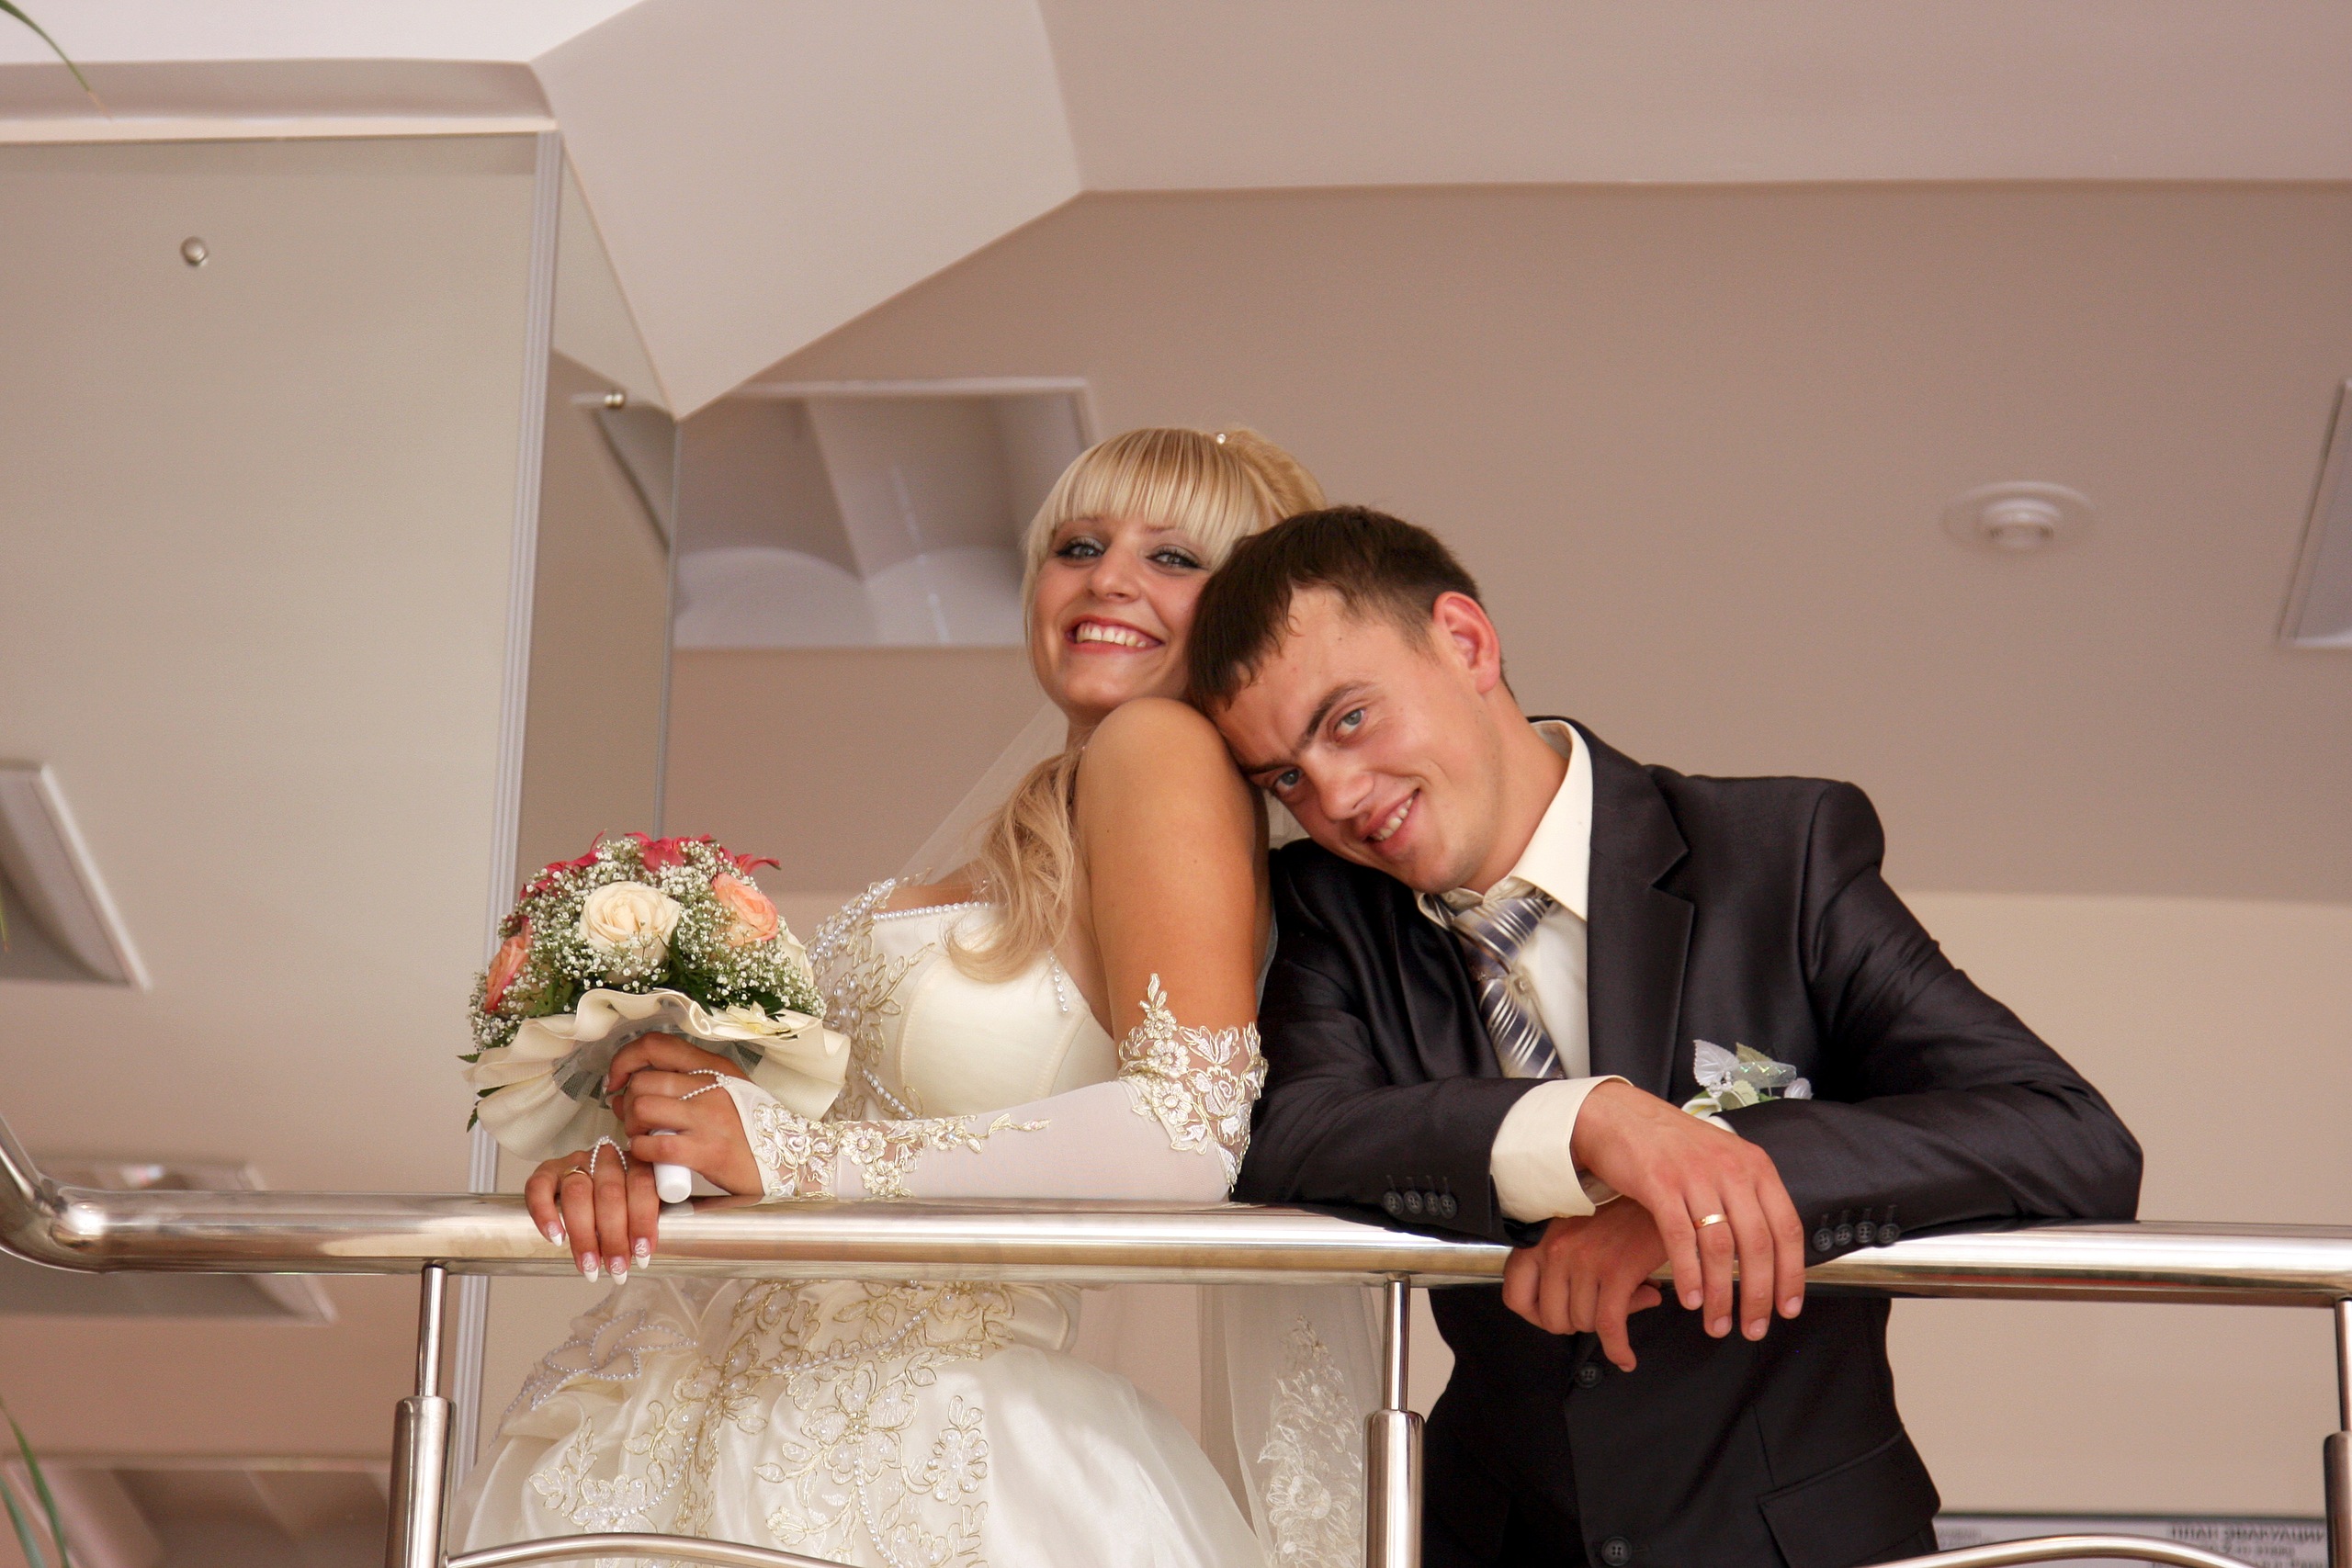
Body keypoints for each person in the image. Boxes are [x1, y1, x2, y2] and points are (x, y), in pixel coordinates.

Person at [1188, 506, 2145, 1568]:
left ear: (1464, 642)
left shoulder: (1779, 855)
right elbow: (1292, 1136)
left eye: (1349, 720)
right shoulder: (1322, 906)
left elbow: (2070, 1139)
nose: (1333, 798)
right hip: (1501, 1540)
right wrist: (1586, 1124)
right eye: (1284, 777)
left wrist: (1695, 1187)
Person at [458, 427, 1333, 1568]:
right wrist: (665, 1155)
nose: (1108, 579)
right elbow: (821, 1141)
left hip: (917, 1442)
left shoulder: (1160, 749)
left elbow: (1187, 1132)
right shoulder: (1039, 827)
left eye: (1174, 558)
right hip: (742, 1409)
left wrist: (792, 1156)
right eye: (1077, 545)